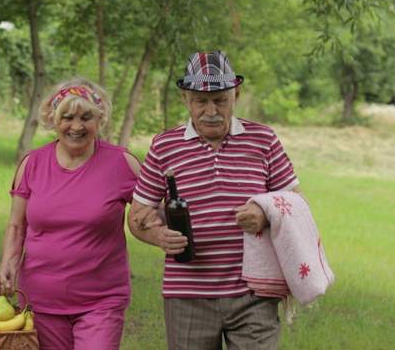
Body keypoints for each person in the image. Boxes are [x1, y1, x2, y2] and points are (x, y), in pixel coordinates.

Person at [127, 51, 303, 350]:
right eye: (200, 101)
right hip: (187, 295)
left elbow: (297, 204)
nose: (211, 111)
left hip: (255, 292)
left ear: (236, 94)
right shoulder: (164, 146)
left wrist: (263, 213)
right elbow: (137, 216)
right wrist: (159, 236)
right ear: (185, 99)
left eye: (220, 100)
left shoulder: (264, 140)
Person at [0, 76, 142, 350]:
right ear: (53, 119)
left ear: (99, 119)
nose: (76, 125)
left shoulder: (121, 163)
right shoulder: (32, 164)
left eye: (86, 117)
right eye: (67, 116)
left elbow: (152, 211)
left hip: (101, 299)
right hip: (40, 298)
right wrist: (7, 265)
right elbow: (16, 226)